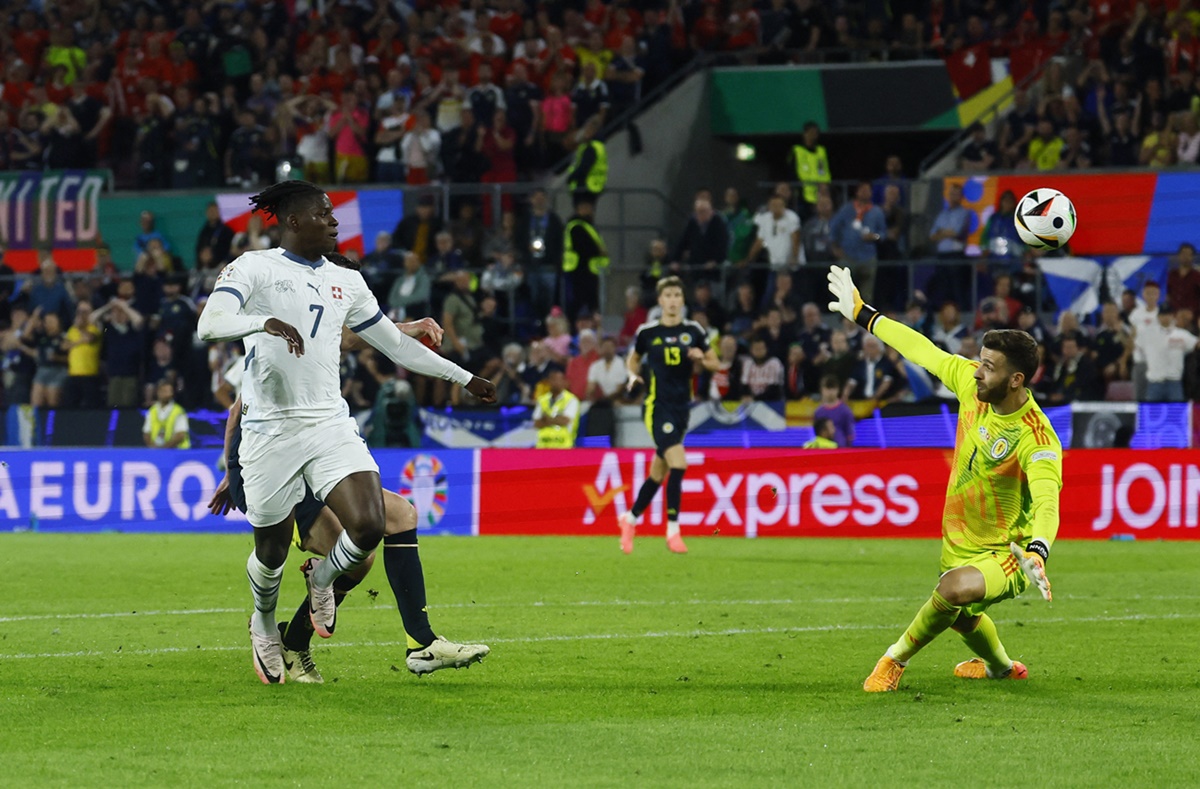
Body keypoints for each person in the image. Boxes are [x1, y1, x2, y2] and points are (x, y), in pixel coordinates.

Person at [196, 180, 496, 684]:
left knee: (371, 525)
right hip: (269, 433)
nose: (336, 221)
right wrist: (261, 322)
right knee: (269, 555)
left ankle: (325, 577)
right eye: (325, 213)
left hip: (329, 423)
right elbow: (210, 322)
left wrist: (463, 378)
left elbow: (394, 346)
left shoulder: (347, 281)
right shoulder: (254, 267)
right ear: (293, 221)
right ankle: (264, 623)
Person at [210, 307, 489, 682]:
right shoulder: (276, 330)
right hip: (274, 463)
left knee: (401, 516)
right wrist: (233, 471)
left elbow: (355, 334)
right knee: (348, 559)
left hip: (319, 454)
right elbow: (236, 409)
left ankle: (420, 644)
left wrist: (408, 329)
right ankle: (281, 635)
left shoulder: (319, 328)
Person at [827, 265, 1058, 692]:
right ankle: (1001, 668)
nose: (975, 372)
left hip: (1009, 551)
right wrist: (864, 314)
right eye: (979, 362)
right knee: (963, 614)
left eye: (988, 367)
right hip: (958, 538)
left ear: (1016, 380)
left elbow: (1047, 499)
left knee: (953, 592)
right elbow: (924, 350)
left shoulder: (1036, 436)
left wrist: (1038, 550)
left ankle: (892, 661)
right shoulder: (974, 386)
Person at [618, 276, 720, 555]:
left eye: (677, 295)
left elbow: (716, 361)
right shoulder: (648, 332)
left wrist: (702, 357)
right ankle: (673, 530)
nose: (673, 300)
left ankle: (631, 518)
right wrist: (632, 374)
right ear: (660, 301)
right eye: (668, 295)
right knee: (679, 462)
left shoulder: (694, 330)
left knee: (657, 474)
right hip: (656, 406)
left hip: (681, 409)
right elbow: (634, 358)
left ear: (682, 301)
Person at [562, 196, 609, 321]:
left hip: (589, 270)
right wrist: (599, 251)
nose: (590, 210)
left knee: (590, 302)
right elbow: (584, 247)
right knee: (579, 302)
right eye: (586, 207)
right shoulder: (576, 226)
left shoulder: (588, 225)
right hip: (579, 271)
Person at [790, 120, 830, 218]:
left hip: (820, 194)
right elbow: (792, 172)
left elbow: (824, 171)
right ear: (805, 134)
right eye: (810, 132)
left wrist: (824, 185)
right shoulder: (797, 150)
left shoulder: (821, 151)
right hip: (802, 195)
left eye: (815, 133)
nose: (813, 135)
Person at [533, 367, 581, 448]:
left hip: (563, 446)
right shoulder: (542, 400)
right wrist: (556, 419)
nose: (554, 383)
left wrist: (546, 419)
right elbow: (537, 423)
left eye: (557, 380)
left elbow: (565, 421)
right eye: (552, 379)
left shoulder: (572, 400)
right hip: (543, 446)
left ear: (564, 382)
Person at [566, 116, 607, 205]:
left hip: (585, 186)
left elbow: (584, 167)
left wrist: (571, 177)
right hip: (593, 186)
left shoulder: (591, 147)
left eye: (588, 129)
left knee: (582, 214)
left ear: (593, 130)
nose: (585, 131)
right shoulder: (599, 146)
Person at [143, 379, 190, 448]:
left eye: (169, 391)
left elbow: (181, 435)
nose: (167, 394)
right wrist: (152, 448)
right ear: (158, 392)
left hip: (177, 453)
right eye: (164, 391)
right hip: (157, 452)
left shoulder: (178, 411)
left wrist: (164, 449)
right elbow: (146, 433)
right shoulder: (152, 411)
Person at [812, 374, 854, 447]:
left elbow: (850, 435)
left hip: (841, 449)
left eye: (833, 388)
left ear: (838, 390)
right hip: (823, 449)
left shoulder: (845, 411)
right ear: (822, 390)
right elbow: (816, 435)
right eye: (827, 388)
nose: (830, 392)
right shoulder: (818, 412)